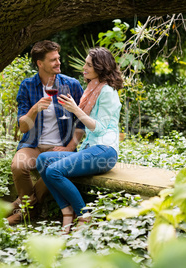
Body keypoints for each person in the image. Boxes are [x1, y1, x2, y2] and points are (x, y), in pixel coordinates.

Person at [36, 47, 123, 233]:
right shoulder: (93, 88)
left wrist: (75, 110)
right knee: (42, 160)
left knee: (53, 171)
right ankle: (66, 211)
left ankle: (83, 214)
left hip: (105, 151)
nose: (84, 67)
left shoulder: (107, 92)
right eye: (85, 63)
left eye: (89, 65)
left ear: (100, 68)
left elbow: (98, 127)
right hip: (90, 149)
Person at [7, 40, 85, 225]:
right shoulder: (27, 86)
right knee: (18, 166)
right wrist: (34, 109)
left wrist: (70, 146)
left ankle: (23, 210)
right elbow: (23, 127)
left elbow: (81, 119)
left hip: (60, 147)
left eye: (58, 58)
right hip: (33, 145)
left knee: (51, 171)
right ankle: (29, 208)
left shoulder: (71, 85)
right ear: (40, 63)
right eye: (53, 60)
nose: (59, 62)